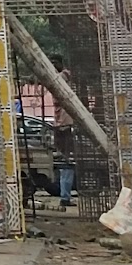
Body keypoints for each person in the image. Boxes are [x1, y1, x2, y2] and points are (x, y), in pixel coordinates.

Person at [53, 62, 76, 209]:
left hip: (63, 129)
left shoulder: (56, 86)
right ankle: (65, 197)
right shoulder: (60, 87)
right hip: (64, 129)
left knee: (66, 166)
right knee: (67, 165)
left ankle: (65, 195)